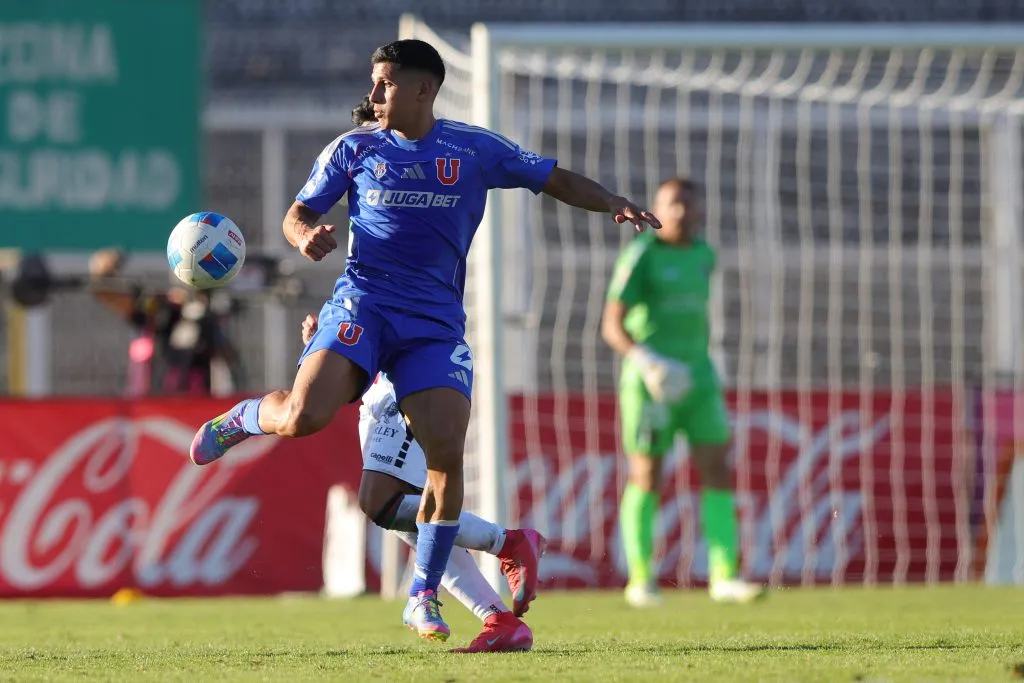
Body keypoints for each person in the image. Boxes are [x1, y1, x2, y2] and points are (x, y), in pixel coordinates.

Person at [190, 39, 659, 642]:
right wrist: (304, 234)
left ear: (423, 89)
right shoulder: (354, 148)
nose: (375, 94)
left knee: (444, 455)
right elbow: (297, 211)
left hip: (434, 323)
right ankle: (244, 418)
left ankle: (423, 596)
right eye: (374, 81)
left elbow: (553, 177)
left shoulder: (472, 148)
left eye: (387, 83)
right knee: (304, 417)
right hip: (363, 305)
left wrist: (612, 203)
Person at [301, 314, 534, 652]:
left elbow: (386, 306)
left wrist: (341, 335)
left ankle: (506, 543)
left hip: (405, 377)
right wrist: (333, 340)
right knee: (414, 525)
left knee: (383, 503)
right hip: (379, 388)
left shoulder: (403, 277)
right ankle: (499, 618)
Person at [602, 177, 765, 608]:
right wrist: (648, 362)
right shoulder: (640, 256)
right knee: (647, 475)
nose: (680, 212)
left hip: (699, 377)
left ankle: (725, 575)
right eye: (672, 204)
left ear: (699, 210)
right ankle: (640, 578)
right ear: (656, 209)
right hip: (651, 382)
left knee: (717, 468)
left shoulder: (704, 255)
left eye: (687, 204)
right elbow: (611, 325)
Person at [88, 247, 242, 397]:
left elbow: (230, 356)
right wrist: (102, 276)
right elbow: (108, 294)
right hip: (157, 397)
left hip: (198, 399)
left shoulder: (207, 317)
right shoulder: (162, 308)